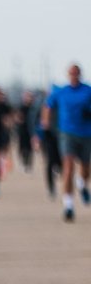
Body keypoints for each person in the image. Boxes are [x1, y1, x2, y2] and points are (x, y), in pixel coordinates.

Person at [42, 64, 91, 221]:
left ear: (80, 74)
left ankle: (82, 184)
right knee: (68, 168)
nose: (74, 76)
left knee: (85, 169)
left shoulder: (88, 91)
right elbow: (47, 106)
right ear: (68, 75)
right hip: (67, 134)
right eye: (71, 74)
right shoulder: (61, 92)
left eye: (76, 74)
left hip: (86, 134)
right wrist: (45, 121)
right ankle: (68, 206)